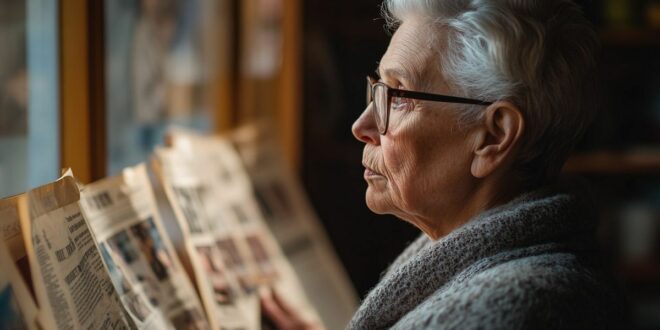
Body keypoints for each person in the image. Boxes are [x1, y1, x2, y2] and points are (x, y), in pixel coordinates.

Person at [262, 0, 626, 328]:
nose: (362, 127)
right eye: (378, 89)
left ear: (493, 137)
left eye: (398, 97)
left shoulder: (510, 310)